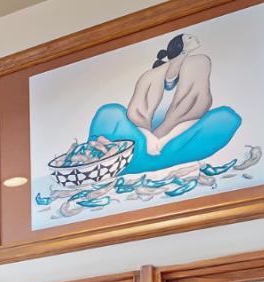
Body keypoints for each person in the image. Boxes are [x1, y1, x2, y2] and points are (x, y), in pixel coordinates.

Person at [86, 33, 241, 175]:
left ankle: (130, 162)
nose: (194, 38)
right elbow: (135, 117)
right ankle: (128, 159)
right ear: (179, 46)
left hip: (174, 140)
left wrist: (162, 141)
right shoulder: (149, 77)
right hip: (137, 140)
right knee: (110, 112)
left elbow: (195, 115)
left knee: (226, 117)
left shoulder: (198, 65)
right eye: (189, 38)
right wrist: (149, 139)